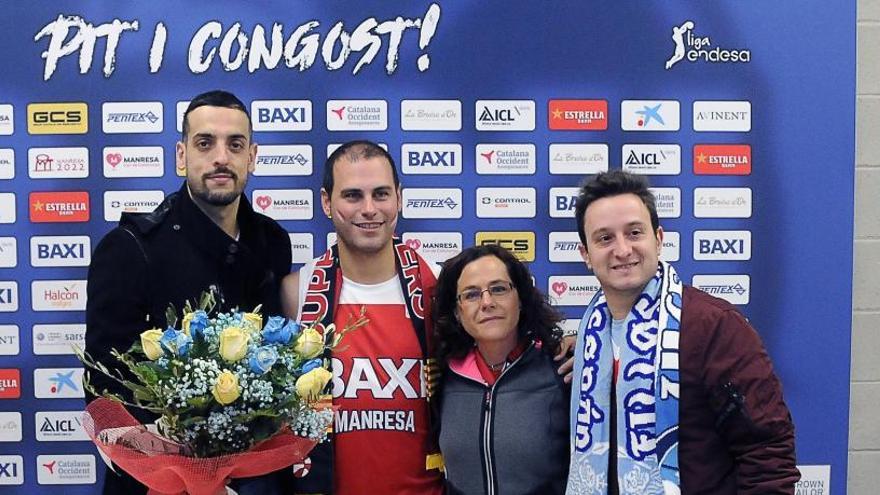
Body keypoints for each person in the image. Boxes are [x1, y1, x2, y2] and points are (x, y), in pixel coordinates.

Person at [85, 90, 292, 494]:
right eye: (205, 143)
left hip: (259, 481)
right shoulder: (130, 247)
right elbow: (104, 395)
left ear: (251, 157)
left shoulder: (272, 241)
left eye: (235, 145)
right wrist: (179, 473)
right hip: (154, 484)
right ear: (181, 156)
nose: (221, 157)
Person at [567, 170, 799, 494]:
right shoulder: (589, 343)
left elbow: (766, 452)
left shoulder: (715, 327)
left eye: (634, 232)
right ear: (586, 255)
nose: (622, 250)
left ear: (658, 239)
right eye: (605, 238)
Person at [280, 140, 444, 494]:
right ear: (327, 202)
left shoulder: (437, 286)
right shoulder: (297, 292)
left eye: (381, 194)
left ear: (399, 197)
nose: (369, 209)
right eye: (353, 195)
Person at [432, 244, 570, 495]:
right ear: (457, 312)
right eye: (471, 294)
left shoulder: (561, 369)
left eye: (498, 289)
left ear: (520, 300)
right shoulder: (442, 377)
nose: (487, 302)